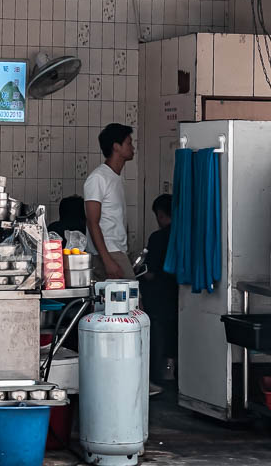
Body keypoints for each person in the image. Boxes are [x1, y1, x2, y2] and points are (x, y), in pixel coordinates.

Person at [84, 123, 136, 280]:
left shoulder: (116, 177)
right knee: (133, 302)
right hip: (108, 253)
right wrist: (107, 261)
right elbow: (92, 222)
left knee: (125, 302)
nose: (133, 147)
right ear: (116, 147)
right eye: (129, 143)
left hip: (117, 251)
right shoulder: (98, 178)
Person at [141, 194, 178, 383]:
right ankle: (173, 368)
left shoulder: (158, 237)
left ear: (161, 215)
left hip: (160, 297)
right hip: (179, 294)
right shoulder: (185, 234)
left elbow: (150, 272)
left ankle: (161, 371)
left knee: (159, 329)